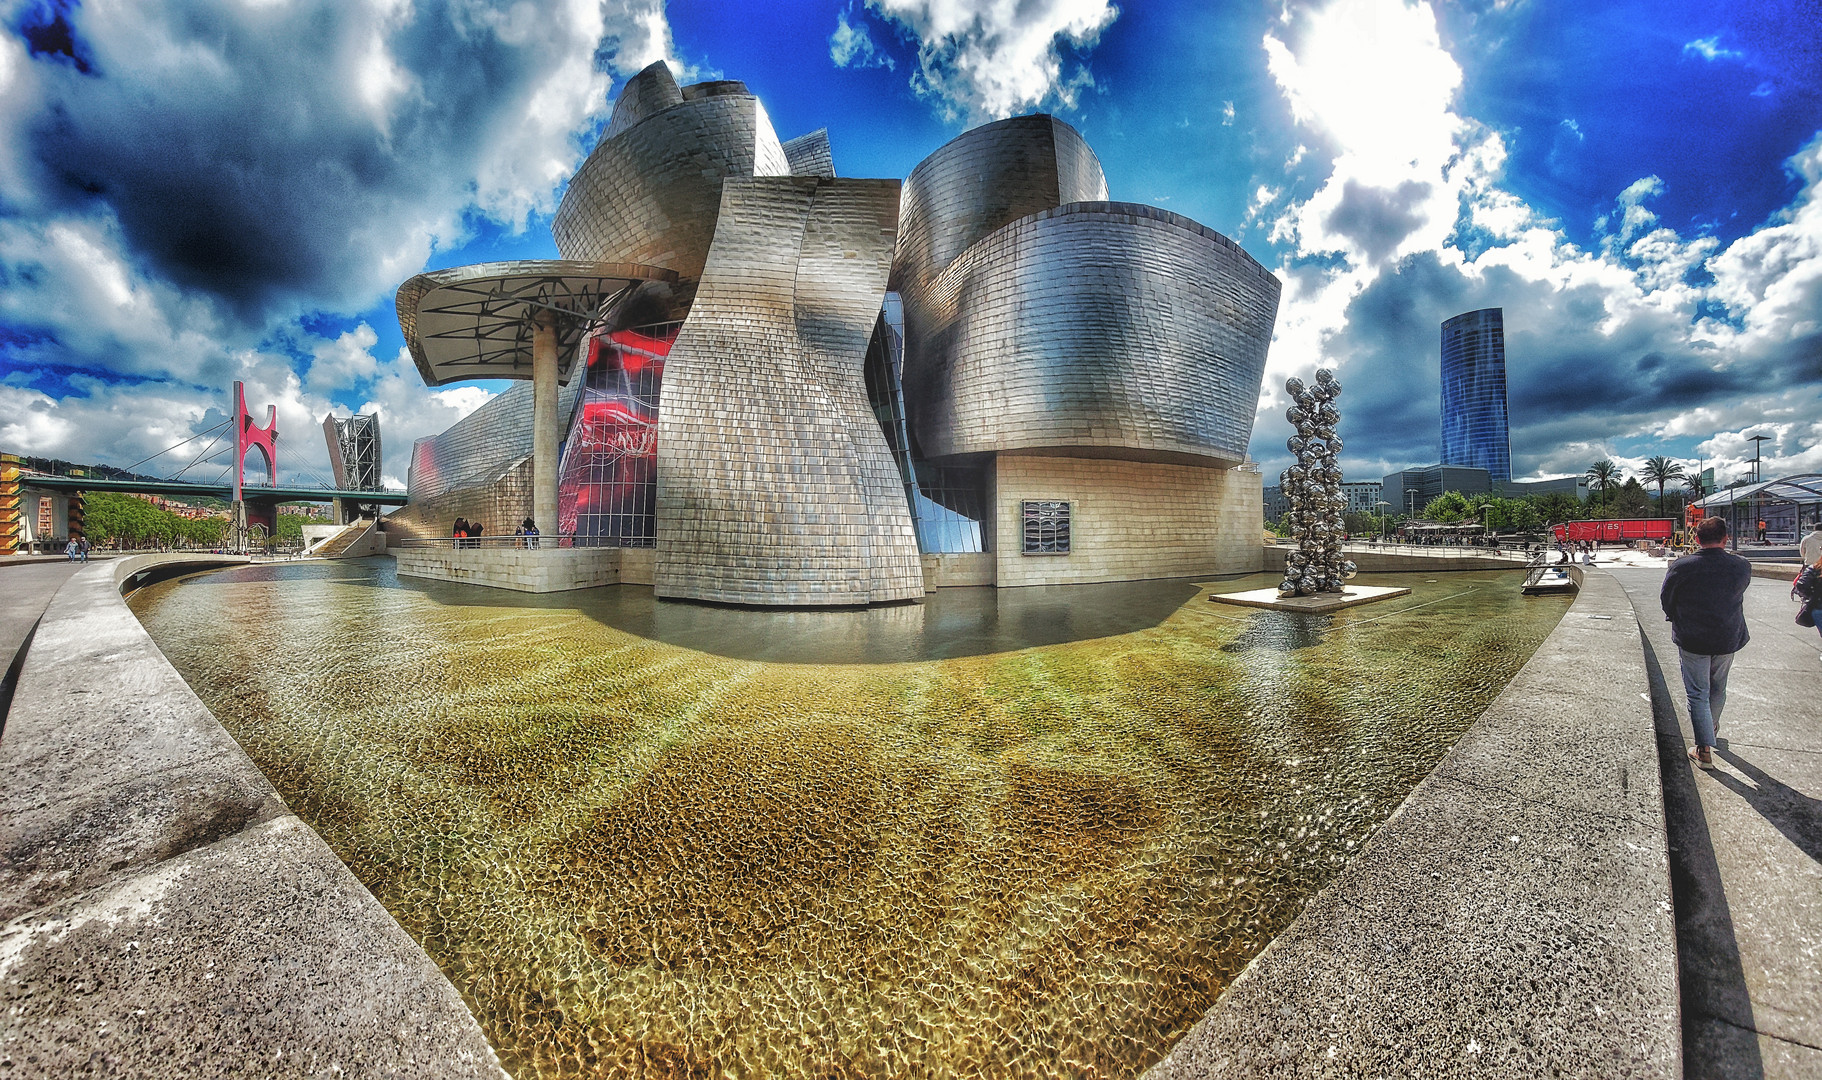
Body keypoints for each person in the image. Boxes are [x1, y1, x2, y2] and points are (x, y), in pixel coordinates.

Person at [1661, 517, 1753, 769]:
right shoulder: (1741, 566)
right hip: (1727, 637)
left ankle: (1703, 750)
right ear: (1725, 538)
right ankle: (1709, 727)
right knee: (1718, 688)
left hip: (1693, 638)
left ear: (1697, 540)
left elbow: (1667, 598)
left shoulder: (1683, 566)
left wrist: (1676, 617)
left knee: (1697, 693)